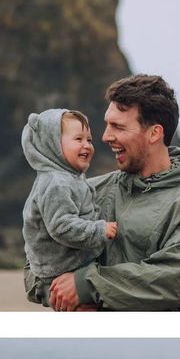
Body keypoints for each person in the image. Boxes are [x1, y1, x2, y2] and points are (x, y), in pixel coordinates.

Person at [49, 74, 180, 311]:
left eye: (118, 126)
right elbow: (39, 254)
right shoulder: (90, 191)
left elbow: (173, 281)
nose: (105, 136)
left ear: (154, 133)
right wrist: (72, 301)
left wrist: (86, 285)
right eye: (108, 124)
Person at [21, 108, 118, 308]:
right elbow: (61, 226)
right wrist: (99, 230)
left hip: (69, 265)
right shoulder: (57, 183)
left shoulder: (72, 179)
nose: (87, 145)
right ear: (53, 145)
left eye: (89, 140)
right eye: (78, 139)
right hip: (56, 275)